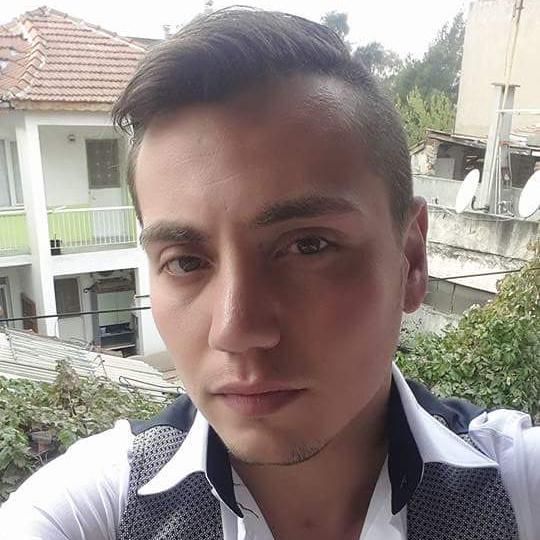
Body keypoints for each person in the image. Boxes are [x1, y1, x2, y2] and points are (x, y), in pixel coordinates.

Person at [0, 8, 538, 540]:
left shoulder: (520, 491)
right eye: (185, 261)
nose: (236, 329)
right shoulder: (96, 509)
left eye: (307, 246)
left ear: (412, 260)